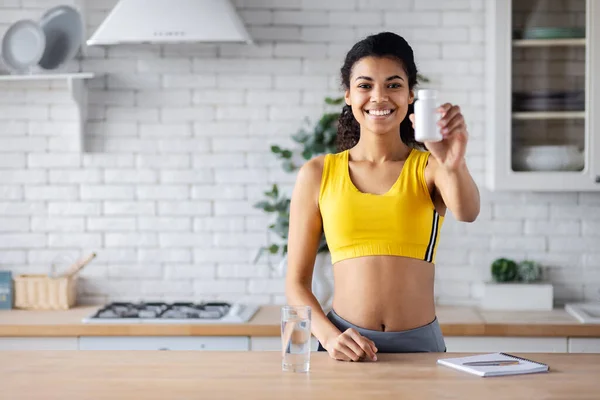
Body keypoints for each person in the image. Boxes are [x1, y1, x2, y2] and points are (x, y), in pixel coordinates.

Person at [285, 32, 480, 362]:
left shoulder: (431, 168)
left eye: (393, 85)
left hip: (421, 348)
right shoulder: (317, 173)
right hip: (344, 345)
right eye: (365, 85)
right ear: (348, 94)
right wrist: (330, 338)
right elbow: (296, 284)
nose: (379, 97)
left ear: (410, 95)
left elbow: (467, 211)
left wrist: (454, 163)